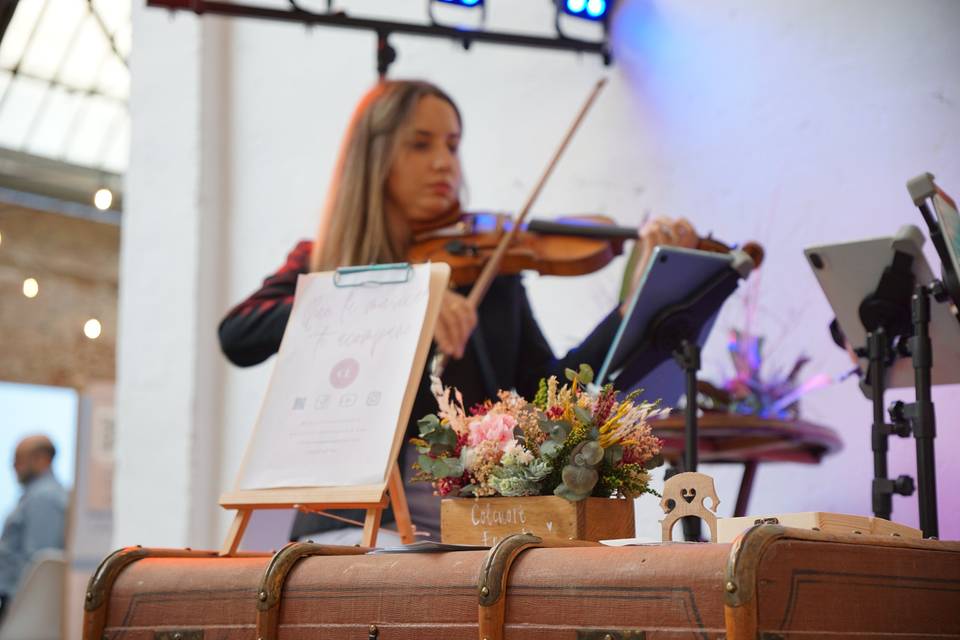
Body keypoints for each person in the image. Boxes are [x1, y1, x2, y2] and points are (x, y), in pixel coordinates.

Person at [218, 80, 697, 540]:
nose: (444, 163)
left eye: (452, 145)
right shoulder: (326, 265)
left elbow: (544, 391)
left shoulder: (488, 271)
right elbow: (238, 335)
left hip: (468, 517)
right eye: (421, 145)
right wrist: (407, 296)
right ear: (374, 158)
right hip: (345, 521)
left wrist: (632, 307)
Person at [0, 435, 68, 619]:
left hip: (16, 607)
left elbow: (37, 562)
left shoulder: (44, 498)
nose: (13, 466)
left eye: (19, 459)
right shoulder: (38, 495)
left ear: (42, 459)